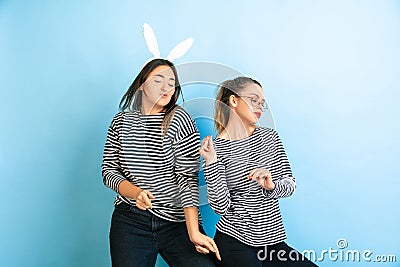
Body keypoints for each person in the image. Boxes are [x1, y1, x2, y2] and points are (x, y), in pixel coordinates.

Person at [102, 58, 220, 267]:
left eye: (171, 82)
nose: (166, 87)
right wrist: (136, 193)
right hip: (131, 221)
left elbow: (187, 178)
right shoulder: (121, 122)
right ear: (141, 84)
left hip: (176, 222)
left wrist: (193, 232)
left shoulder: (179, 119)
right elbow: (109, 171)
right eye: (158, 80)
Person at [199, 77, 318, 267]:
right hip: (235, 240)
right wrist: (211, 163)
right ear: (234, 101)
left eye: (262, 103)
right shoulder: (216, 149)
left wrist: (271, 186)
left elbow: (290, 184)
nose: (259, 107)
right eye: (253, 100)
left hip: (272, 241)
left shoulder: (270, 137)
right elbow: (220, 207)